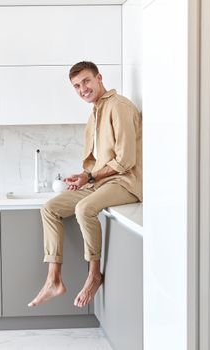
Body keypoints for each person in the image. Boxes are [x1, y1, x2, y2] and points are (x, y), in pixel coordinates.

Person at [28, 61, 142, 308]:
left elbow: (126, 160)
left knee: (84, 209)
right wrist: (83, 175)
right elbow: (96, 162)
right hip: (101, 181)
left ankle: (94, 275)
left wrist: (90, 178)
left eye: (86, 81)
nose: (82, 89)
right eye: (77, 86)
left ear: (99, 78)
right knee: (50, 208)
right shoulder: (95, 113)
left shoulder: (119, 107)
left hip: (125, 181)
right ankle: (54, 279)